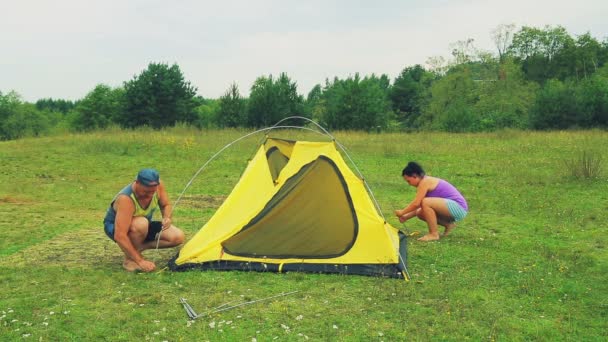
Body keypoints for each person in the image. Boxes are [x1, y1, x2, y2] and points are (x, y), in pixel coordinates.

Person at [103, 168, 185, 272]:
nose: (150, 195)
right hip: (116, 228)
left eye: (152, 191)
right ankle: (130, 261)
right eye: (146, 191)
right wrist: (141, 261)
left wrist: (167, 217)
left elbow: (166, 205)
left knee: (177, 237)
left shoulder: (158, 186)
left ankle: (135, 249)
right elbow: (120, 235)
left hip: (143, 225)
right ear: (137, 183)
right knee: (141, 224)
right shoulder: (126, 199)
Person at [394, 162, 468, 242]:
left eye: (408, 181)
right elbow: (420, 206)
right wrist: (406, 216)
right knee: (420, 212)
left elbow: (416, 203)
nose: (409, 184)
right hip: (452, 208)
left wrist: (402, 212)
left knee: (425, 202)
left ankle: (433, 234)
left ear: (415, 176)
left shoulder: (425, 182)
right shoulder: (424, 182)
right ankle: (448, 224)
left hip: (459, 208)